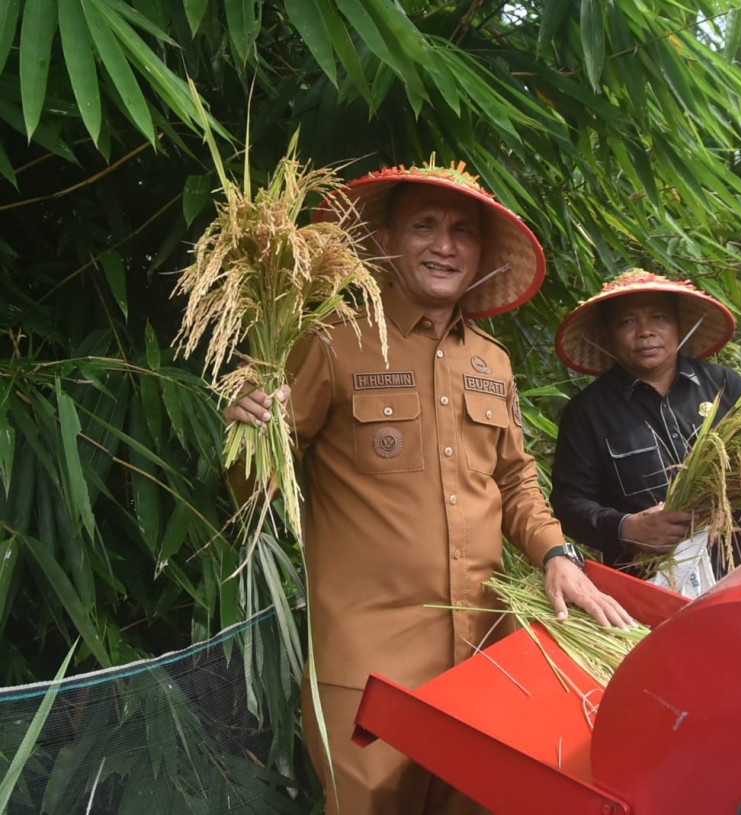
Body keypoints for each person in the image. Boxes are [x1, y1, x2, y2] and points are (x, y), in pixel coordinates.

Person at [225, 162, 630, 815]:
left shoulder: (491, 361)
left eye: (462, 231)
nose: (445, 244)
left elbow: (515, 477)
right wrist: (251, 432)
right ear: (386, 240)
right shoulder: (332, 344)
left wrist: (558, 555)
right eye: (425, 226)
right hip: (368, 663)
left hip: (483, 654)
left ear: (479, 255)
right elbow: (261, 489)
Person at [550, 270, 741, 579]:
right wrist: (627, 528)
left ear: (679, 325)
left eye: (659, 317)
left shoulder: (725, 386)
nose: (645, 332)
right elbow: (569, 505)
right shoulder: (588, 412)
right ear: (608, 334)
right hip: (647, 581)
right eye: (627, 322)